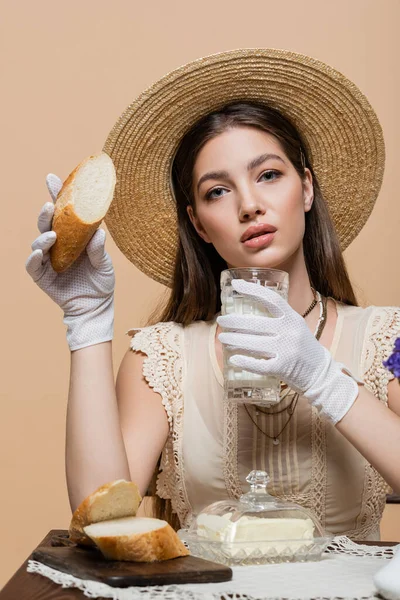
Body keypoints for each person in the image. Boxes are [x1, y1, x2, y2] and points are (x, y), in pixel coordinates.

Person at [26, 48, 400, 541]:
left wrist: (320, 375)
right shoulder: (161, 358)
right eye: (217, 191)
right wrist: (87, 320)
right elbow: (101, 522)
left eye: (268, 175)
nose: (249, 205)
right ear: (199, 224)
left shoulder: (386, 337)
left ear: (306, 189)